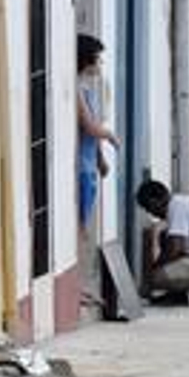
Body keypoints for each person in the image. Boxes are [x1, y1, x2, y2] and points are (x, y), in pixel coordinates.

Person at [77, 35, 118, 232]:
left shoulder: (86, 89)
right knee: (81, 220)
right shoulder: (77, 91)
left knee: (87, 211)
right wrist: (110, 136)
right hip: (82, 164)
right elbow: (89, 126)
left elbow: (93, 127)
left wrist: (100, 158)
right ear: (87, 60)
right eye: (98, 58)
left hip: (89, 162)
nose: (101, 63)